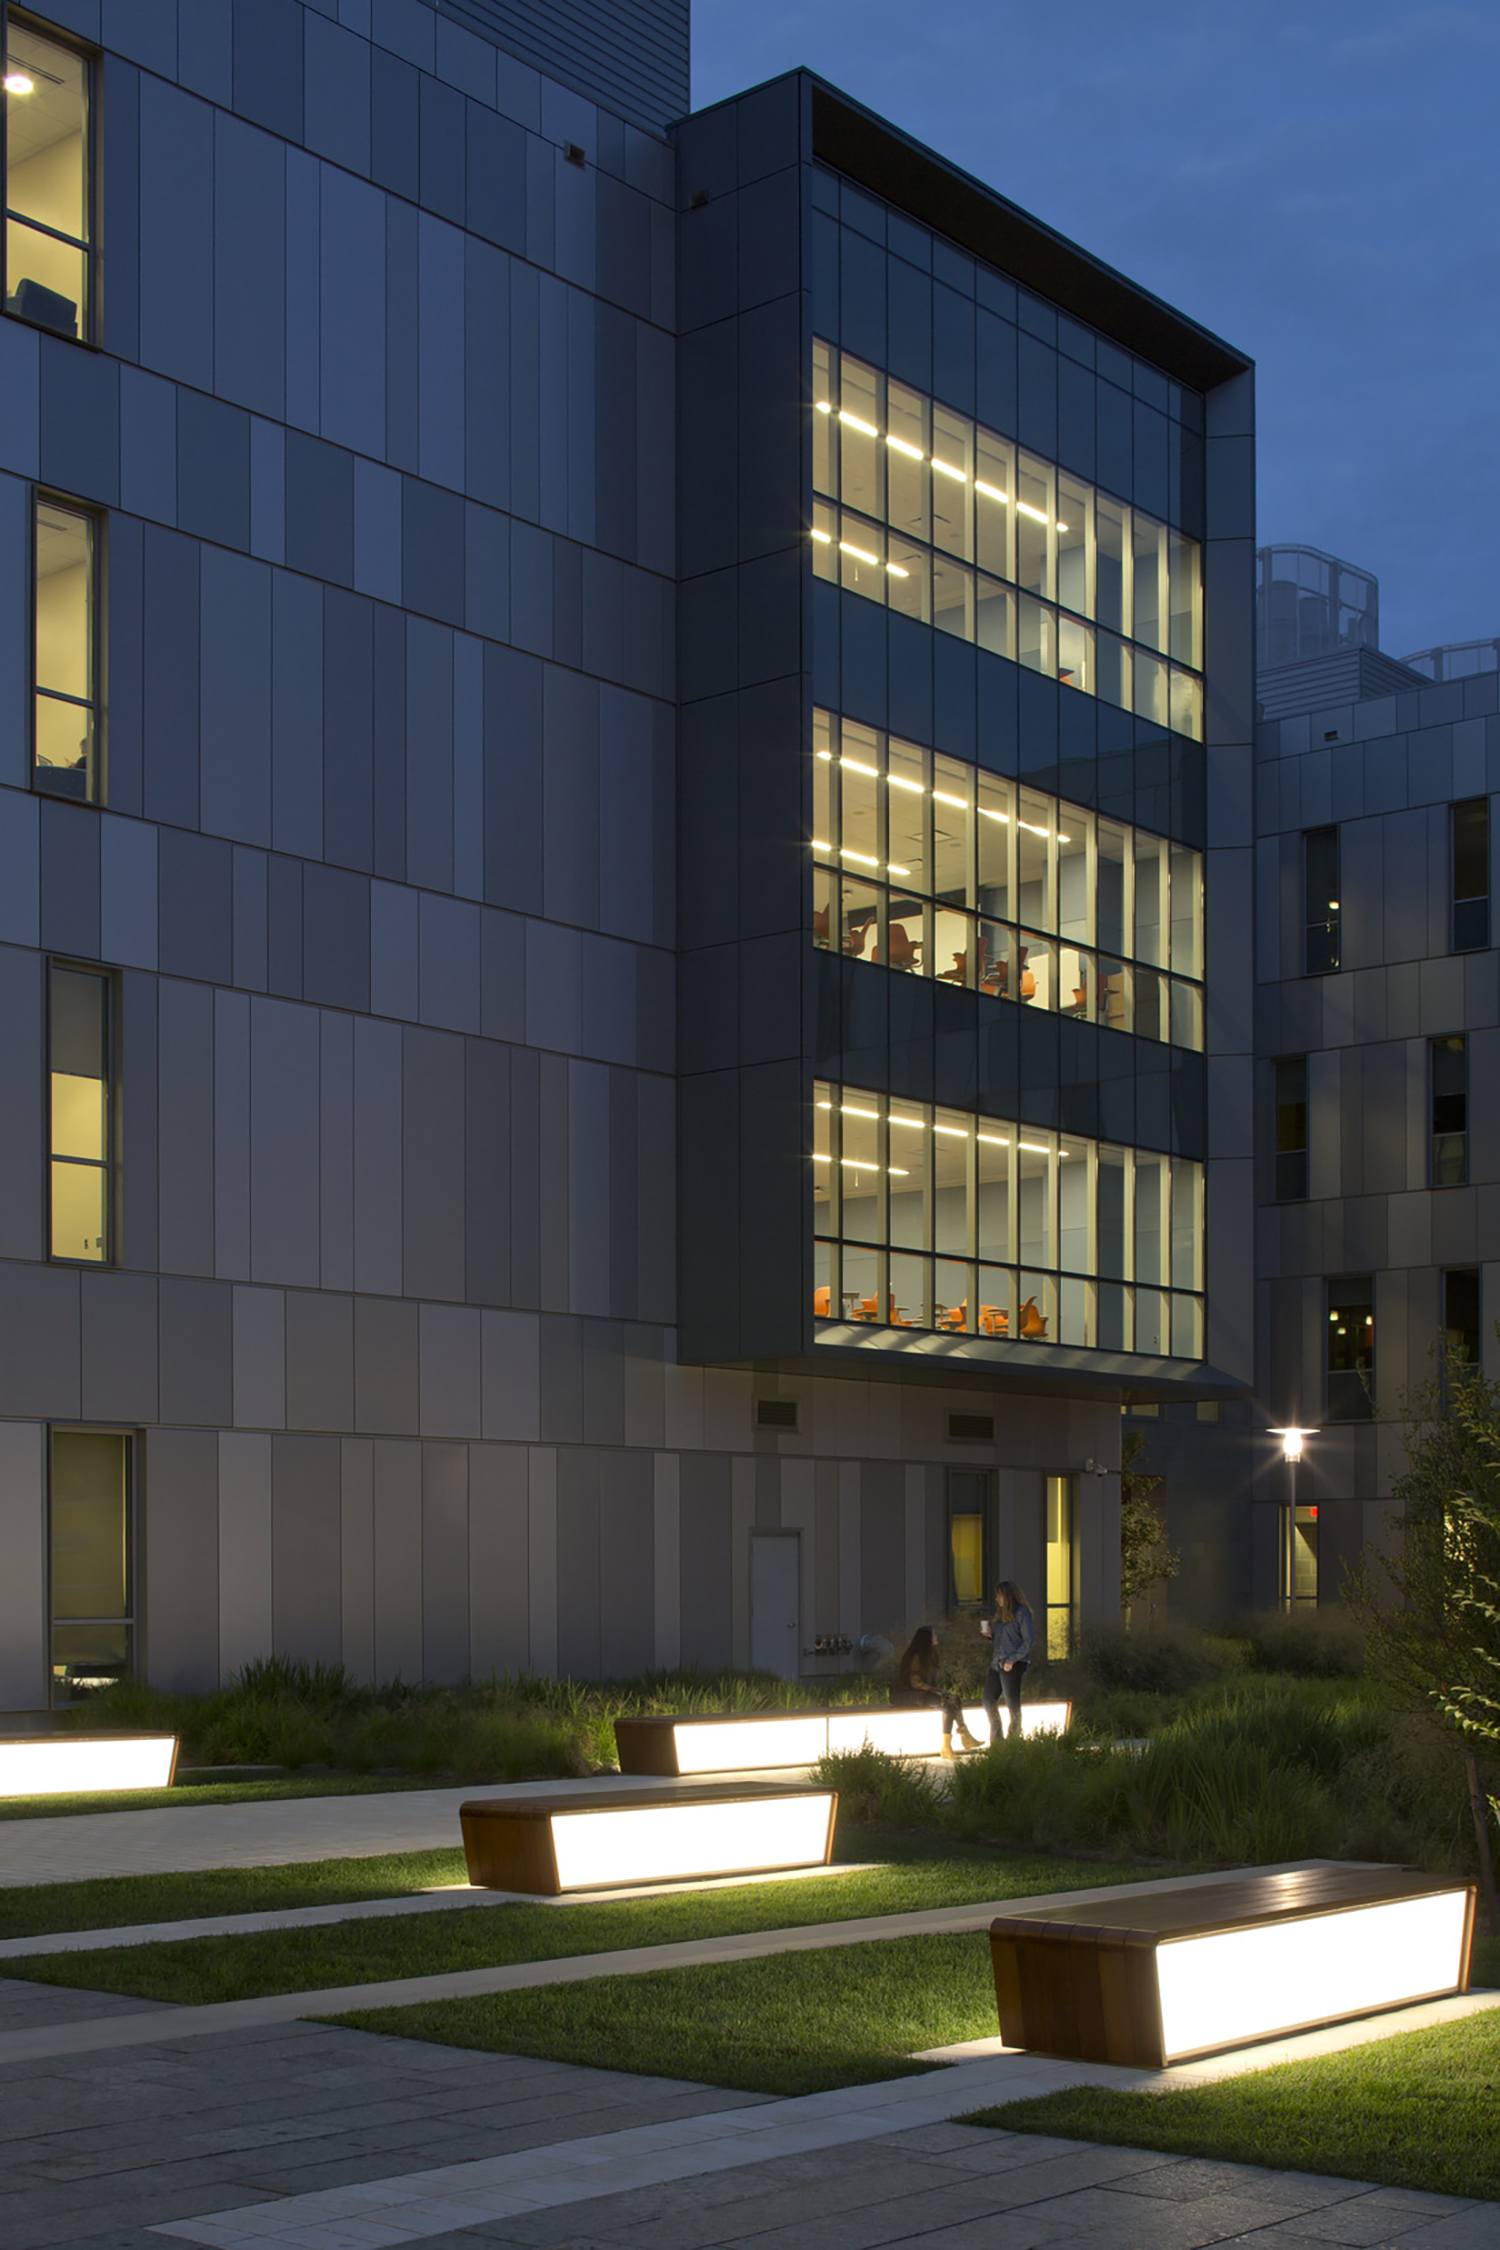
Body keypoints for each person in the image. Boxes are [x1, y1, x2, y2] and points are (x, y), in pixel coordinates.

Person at [893, 1626, 982, 1758]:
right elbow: (915, 1683)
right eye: (934, 1635)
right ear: (926, 1639)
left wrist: (940, 1691)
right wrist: (938, 1691)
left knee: (954, 1698)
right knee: (947, 1702)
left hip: (921, 1693)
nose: (936, 1637)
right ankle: (948, 1746)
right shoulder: (916, 1656)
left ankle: (964, 1736)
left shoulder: (931, 1655)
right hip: (909, 1695)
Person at [980, 1580, 1035, 1742]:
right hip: (997, 1663)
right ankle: (998, 1741)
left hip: (1013, 1664)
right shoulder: (1000, 1616)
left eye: (999, 1595)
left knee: (1012, 1704)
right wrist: (990, 1635)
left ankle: (1013, 1742)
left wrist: (1012, 1660)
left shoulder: (1022, 1613)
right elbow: (1003, 1640)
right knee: (988, 1699)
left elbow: (1028, 1640)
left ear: (1007, 1596)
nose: (997, 1599)